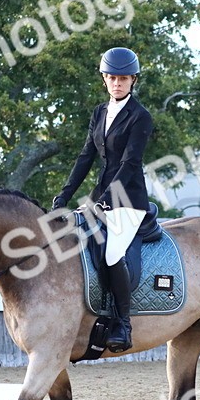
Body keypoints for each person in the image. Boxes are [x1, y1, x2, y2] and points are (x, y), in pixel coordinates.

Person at [52, 46, 154, 352]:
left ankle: (123, 324)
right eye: (112, 77)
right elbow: (86, 157)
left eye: (123, 78)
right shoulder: (99, 113)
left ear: (133, 80)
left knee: (112, 255)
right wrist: (63, 195)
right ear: (104, 79)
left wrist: (107, 200)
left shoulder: (140, 117)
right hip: (100, 197)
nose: (117, 83)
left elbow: (129, 164)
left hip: (129, 201)